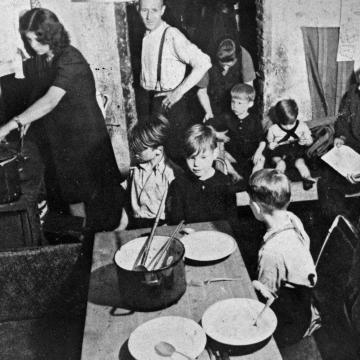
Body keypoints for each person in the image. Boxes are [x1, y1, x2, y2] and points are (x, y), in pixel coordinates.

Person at [0, 8, 124, 232]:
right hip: (63, 141)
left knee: (103, 199)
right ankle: (84, 235)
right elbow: (38, 94)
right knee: (73, 195)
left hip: (86, 139)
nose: (31, 46)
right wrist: (28, 119)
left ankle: (115, 231)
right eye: (27, 40)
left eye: (34, 39)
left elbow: (50, 100)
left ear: (49, 35)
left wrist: (13, 123)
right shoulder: (44, 59)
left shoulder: (71, 59)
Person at [248, 169, 318, 347]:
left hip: (287, 326)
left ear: (256, 209)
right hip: (303, 306)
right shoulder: (293, 218)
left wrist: (253, 284)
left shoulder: (271, 252)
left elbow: (265, 297)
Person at [137, 0, 211, 162]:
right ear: (138, 9)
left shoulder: (172, 35)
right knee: (155, 153)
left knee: (175, 155)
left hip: (170, 104)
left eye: (154, 10)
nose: (149, 16)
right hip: (149, 101)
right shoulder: (145, 34)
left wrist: (178, 92)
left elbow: (204, 62)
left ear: (163, 10)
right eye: (144, 10)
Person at [166, 123, 237, 224]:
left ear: (215, 153)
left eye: (203, 157)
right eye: (191, 158)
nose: (196, 164)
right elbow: (176, 222)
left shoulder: (225, 183)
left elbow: (231, 221)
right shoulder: (178, 185)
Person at [122, 115, 182, 229]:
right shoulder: (134, 168)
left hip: (161, 224)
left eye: (140, 149)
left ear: (158, 151)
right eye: (134, 149)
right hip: (135, 222)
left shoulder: (172, 173)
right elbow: (125, 199)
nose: (135, 153)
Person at [318, 74, 360, 222]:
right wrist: (340, 137)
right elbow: (343, 119)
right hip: (354, 148)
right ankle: (339, 224)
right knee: (325, 182)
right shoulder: (353, 92)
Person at [207, 83, 263, 184]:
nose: (235, 106)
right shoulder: (227, 117)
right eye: (233, 102)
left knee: (261, 159)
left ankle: (254, 179)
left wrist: (258, 152)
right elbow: (208, 124)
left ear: (250, 104)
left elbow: (262, 140)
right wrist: (216, 134)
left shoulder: (254, 120)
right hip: (232, 156)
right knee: (218, 153)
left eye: (239, 103)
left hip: (249, 157)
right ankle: (234, 174)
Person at [259, 99, 315, 190]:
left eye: (291, 123)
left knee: (300, 163)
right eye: (285, 124)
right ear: (278, 118)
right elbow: (268, 144)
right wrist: (271, 145)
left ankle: (307, 178)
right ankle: (278, 181)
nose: (289, 127)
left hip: (295, 152)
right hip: (278, 153)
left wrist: (307, 141)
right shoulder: (273, 129)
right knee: (280, 164)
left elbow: (310, 140)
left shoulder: (302, 125)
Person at [197, 36, 256, 119]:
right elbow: (201, 91)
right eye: (222, 64)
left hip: (236, 101)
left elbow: (248, 89)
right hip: (212, 101)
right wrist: (208, 112)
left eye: (229, 65)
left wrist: (243, 110)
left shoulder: (244, 55)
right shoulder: (206, 57)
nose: (225, 68)